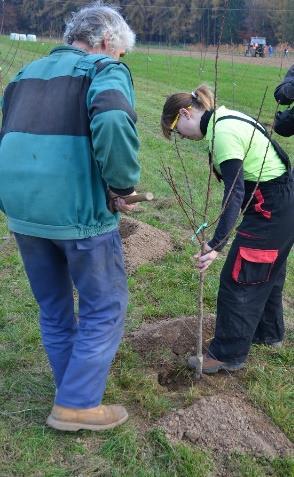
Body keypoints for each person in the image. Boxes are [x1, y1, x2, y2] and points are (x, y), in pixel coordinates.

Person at [0, 2, 141, 431]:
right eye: (120, 53)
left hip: (25, 214)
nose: (120, 61)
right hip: (78, 214)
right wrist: (120, 187)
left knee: (54, 308)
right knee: (105, 305)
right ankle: (77, 404)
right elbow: (115, 119)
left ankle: (71, 388)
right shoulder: (103, 70)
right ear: (104, 43)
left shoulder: (24, 75)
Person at [161, 85, 294, 374]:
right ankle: (268, 334)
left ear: (185, 113)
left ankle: (227, 354)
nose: (182, 137)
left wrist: (215, 245)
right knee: (266, 273)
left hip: (272, 207)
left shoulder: (222, 134)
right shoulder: (223, 119)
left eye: (177, 130)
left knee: (240, 277)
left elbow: (234, 193)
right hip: (280, 202)